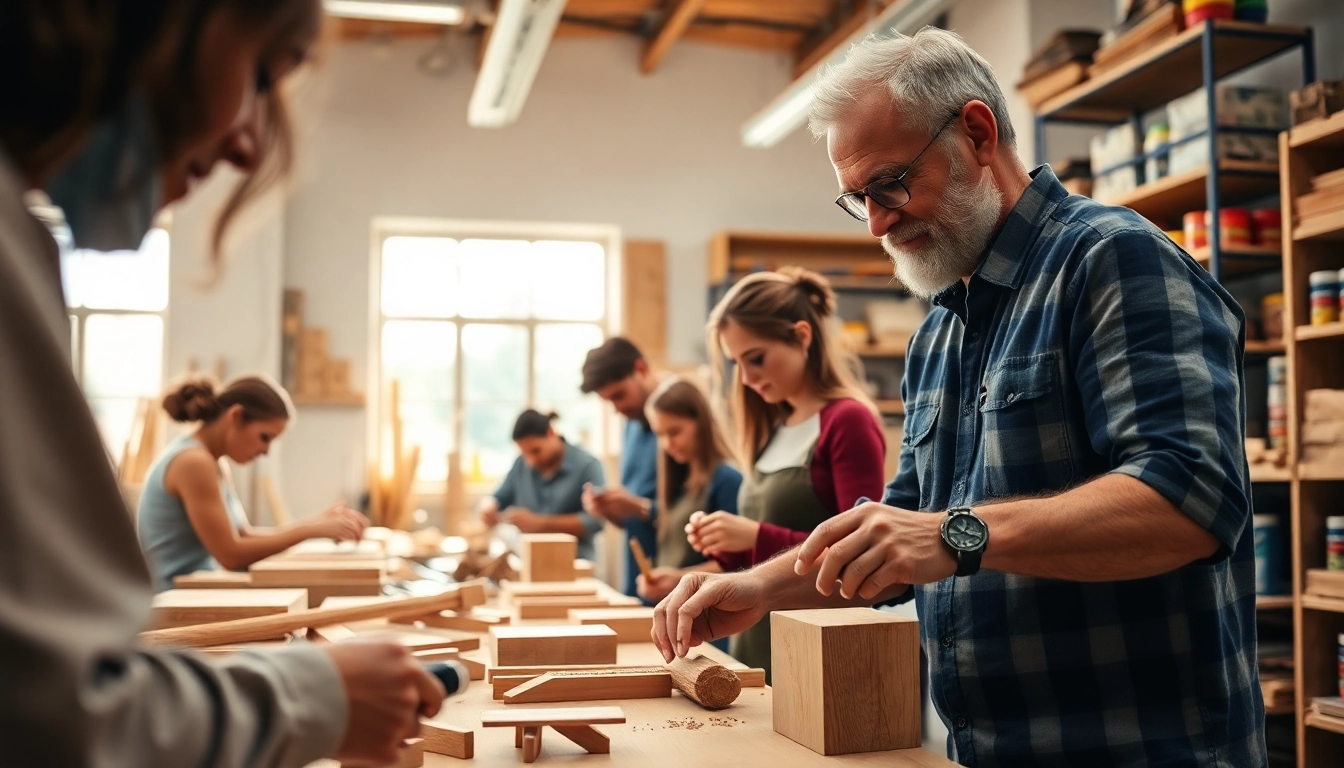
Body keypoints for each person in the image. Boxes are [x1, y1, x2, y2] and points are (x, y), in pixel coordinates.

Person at [652, 27, 1259, 767]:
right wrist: (758, 585)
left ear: (975, 132)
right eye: (857, 200)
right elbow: (891, 533)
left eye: (889, 184)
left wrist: (953, 537)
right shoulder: (939, 333)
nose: (876, 221)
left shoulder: (1112, 259)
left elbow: (1191, 501)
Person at [0, 2, 443, 766]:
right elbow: (49, 714)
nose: (245, 143)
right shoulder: (194, 460)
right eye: (261, 72)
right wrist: (312, 697)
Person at [687, 266, 886, 676]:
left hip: (817, 653)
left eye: (755, 358)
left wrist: (755, 536)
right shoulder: (775, 427)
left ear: (801, 336)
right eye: (737, 363)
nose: (746, 378)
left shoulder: (846, 420)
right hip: (755, 646)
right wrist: (721, 545)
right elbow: (763, 557)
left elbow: (861, 556)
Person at [138, 375, 368, 590]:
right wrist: (308, 530)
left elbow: (242, 536)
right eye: (264, 437)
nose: (266, 451)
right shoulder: (193, 462)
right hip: (168, 600)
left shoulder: (215, 463)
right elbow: (231, 555)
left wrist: (316, 523)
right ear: (235, 417)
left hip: (193, 590)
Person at [635, 377, 742, 604]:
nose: (667, 444)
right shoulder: (677, 483)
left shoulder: (726, 480)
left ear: (701, 423)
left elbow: (740, 564)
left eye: (674, 432)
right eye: (660, 435)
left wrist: (679, 579)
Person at [579, 337, 662, 598]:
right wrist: (610, 509)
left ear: (640, 370)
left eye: (620, 396)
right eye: (609, 402)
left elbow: (700, 508)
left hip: (677, 576)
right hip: (640, 577)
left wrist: (641, 507)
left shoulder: (678, 420)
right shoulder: (632, 424)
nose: (618, 409)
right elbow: (636, 513)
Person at [478, 409, 606, 561]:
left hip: (574, 562)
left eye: (536, 451)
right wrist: (489, 505)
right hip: (529, 560)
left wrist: (540, 523)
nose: (531, 460)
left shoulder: (587, 465)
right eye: (525, 453)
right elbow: (500, 496)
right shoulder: (521, 464)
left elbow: (595, 521)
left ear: (551, 433)